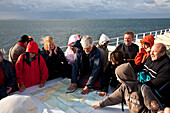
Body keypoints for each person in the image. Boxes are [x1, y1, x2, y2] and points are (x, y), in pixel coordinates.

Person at [92, 63, 163, 113]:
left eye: (118, 76)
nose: (117, 79)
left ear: (124, 77)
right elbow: (114, 98)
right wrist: (101, 104)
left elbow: (156, 108)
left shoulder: (143, 89)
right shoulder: (124, 87)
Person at [136, 43, 170, 113]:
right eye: (151, 51)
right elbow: (142, 67)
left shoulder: (167, 65)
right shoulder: (150, 58)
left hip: (155, 94)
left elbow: (155, 83)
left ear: (162, 53)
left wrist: (139, 86)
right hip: (144, 84)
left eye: (154, 51)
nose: (151, 53)